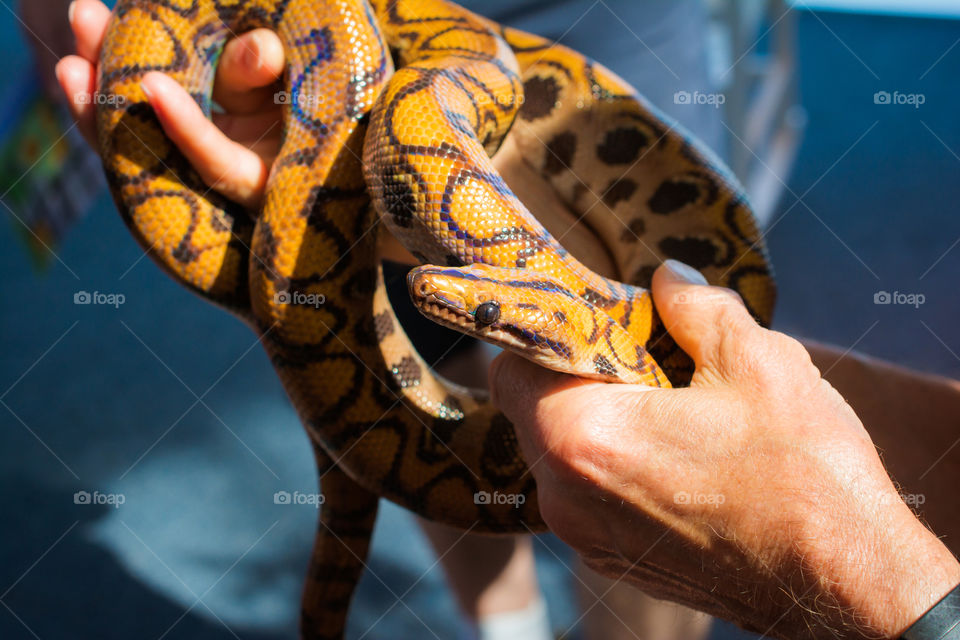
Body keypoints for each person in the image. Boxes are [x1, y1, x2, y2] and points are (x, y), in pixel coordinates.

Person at [56, 2, 960, 639]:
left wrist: (828, 564)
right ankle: (509, 629)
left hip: (573, 30)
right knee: (475, 378)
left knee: (655, 497)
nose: (459, 285)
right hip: (427, 76)